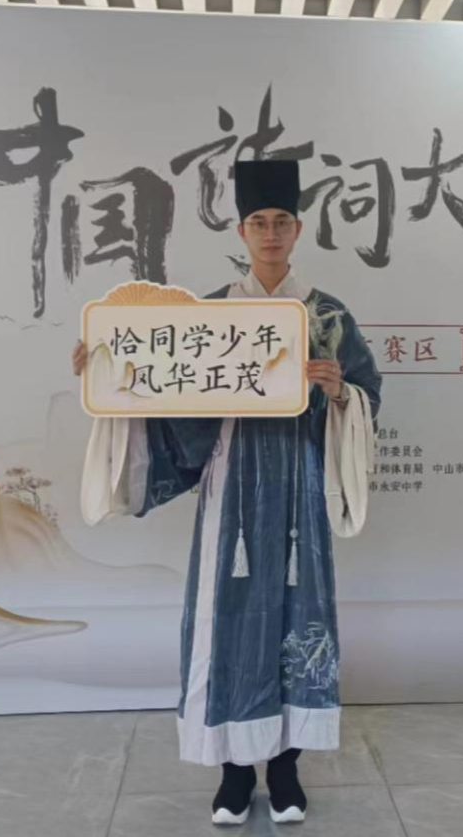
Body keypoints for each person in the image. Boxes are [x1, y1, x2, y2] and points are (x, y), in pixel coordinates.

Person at [71, 160, 381, 826]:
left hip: (298, 490)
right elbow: (163, 391)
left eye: (281, 221)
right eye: (258, 222)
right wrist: (105, 368)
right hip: (229, 488)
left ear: (297, 230)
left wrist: (339, 393)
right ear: (241, 231)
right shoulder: (208, 315)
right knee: (229, 617)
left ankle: (287, 769)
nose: (270, 233)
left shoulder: (328, 315)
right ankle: (235, 773)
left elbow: (366, 395)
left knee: (298, 619)